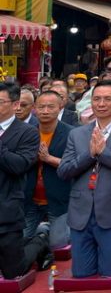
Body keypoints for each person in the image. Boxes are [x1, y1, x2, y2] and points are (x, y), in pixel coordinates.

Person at [57, 80, 111, 278]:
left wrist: (105, 153)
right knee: (81, 274)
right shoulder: (77, 133)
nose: (101, 104)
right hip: (81, 210)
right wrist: (90, 155)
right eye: (96, 99)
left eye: (107, 99)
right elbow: (64, 171)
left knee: (110, 273)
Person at [0, 83, 52, 279]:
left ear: (15, 105)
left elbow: (19, 165)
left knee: (14, 270)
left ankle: (41, 241)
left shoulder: (27, 132)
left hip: (8, 207)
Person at [24, 90, 72, 249]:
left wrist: (49, 159)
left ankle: (44, 232)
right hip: (29, 197)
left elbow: (76, 164)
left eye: (50, 107)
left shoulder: (72, 133)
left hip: (58, 197)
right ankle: (42, 232)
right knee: (21, 240)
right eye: (41, 107)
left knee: (58, 245)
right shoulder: (26, 132)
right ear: (34, 109)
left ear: (60, 107)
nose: (45, 111)